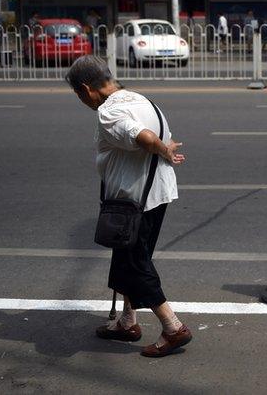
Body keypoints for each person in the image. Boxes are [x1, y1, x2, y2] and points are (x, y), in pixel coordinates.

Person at [65, 56, 192, 358]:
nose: (82, 102)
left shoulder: (110, 111)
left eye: (79, 96)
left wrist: (163, 150)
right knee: (131, 257)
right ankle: (127, 321)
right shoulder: (143, 100)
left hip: (133, 201)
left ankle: (173, 328)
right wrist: (166, 147)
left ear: (86, 89)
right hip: (157, 194)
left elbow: (142, 137)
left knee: (135, 264)